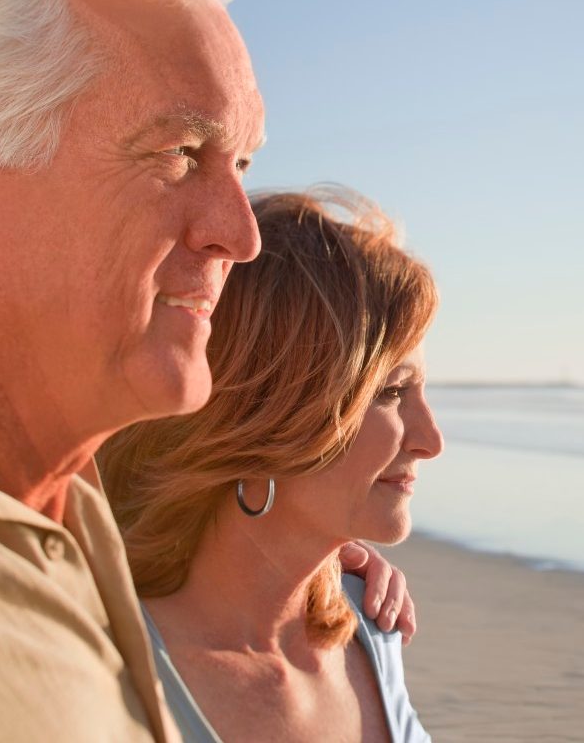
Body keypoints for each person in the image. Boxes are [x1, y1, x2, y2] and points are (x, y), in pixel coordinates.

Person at [0, 0, 411, 740]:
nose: (241, 236)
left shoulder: (68, 513)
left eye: (241, 165)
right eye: (179, 154)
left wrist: (306, 560)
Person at [100, 188, 443, 743]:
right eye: (391, 392)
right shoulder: (113, 668)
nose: (431, 440)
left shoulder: (371, 630)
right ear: (271, 415)